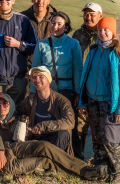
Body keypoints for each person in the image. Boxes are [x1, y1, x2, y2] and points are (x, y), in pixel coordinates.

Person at [0, 105, 106, 180]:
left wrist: (1, 152)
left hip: (8, 150)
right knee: (44, 162)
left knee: (44, 146)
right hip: (1, 169)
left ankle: (85, 169)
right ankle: (85, 175)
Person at [0, 92, 107, 180]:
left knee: (45, 148)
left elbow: (26, 137)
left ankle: (86, 170)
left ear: (10, 106)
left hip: (20, 150)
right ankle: (84, 172)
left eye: (5, 104)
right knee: (46, 161)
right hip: (6, 160)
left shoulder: (17, 120)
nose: (1, 107)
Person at [78, 16, 120, 184]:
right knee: (97, 139)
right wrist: (83, 102)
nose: (102, 32)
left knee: (110, 140)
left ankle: (118, 173)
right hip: (93, 100)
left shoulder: (119, 52)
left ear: (113, 31)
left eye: (106, 29)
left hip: (110, 104)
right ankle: (102, 170)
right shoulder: (93, 50)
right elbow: (86, 76)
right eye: (100, 29)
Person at [30, 11, 83, 157]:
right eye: (53, 23)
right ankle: (50, 155)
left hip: (67, 90)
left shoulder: (73, 44)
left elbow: (78, 69)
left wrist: (78, 92)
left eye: (59, 24)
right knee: (49, 122)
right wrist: (32, 90)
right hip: (47, 91)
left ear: (66, 27)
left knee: (70, 124)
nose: (55, 26)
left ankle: (77, 157)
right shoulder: (42, 45)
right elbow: (35, 69)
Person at [0, 0, 38, 108]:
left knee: (16, 116)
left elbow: (35, 46)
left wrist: (18, 44)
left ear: (13, 0)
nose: (4, 1)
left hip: (17, 81)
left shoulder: (23, 21)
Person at [18, 66, 75, 154]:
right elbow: (17, 112)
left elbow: (70, 121)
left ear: (48, 80)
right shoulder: (30, 100)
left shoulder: (61, 101)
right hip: (37, 139)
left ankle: (55, 164)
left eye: (41, 77)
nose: (37, 80)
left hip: (54, 139)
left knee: (63, 133)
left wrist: (44, 126)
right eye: (34, 78)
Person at [71, 1, 103, 157]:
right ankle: (79, 160)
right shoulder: (77, 35)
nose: (88, 17)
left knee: (99, 128)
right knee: (79, 127)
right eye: (86, 14)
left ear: (100, 16)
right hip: (81, 89)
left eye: (92, 14)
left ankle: (100, 162)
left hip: (99, 89)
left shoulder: (104, 35)